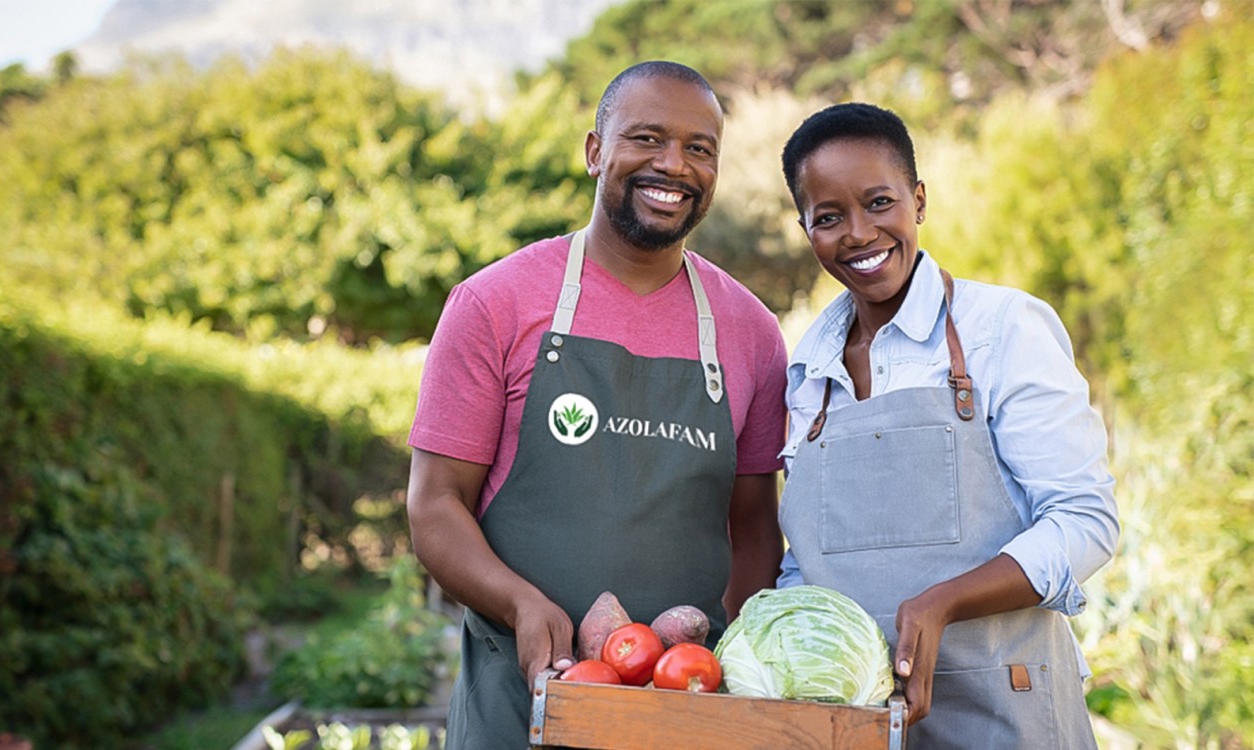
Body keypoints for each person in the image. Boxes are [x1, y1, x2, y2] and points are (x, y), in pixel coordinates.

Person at [405, 61, 788, 749]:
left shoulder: (752, 332)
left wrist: (727, 660)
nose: (674, 165)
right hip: (518, 700)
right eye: (646, 138)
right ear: (594, 152)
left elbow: (756, 528)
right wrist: (521, 604)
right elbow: (434, 506)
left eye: (700, 149)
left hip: (686, 705)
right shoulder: (494, 303)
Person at [775, 102, 1119, 748]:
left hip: (1007, 711)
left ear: (919, 201)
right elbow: (810, 562)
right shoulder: (809, 371)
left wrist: (943, 602)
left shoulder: (1003, 329)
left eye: (879, 202)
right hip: (856, 723)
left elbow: (1085, 521)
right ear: (805, 228)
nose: (858, 233)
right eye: (828, 217)